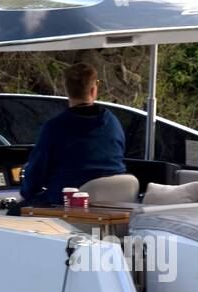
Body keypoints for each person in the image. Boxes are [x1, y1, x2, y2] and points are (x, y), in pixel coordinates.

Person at [17, 62, 127, 207]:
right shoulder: (113, 123)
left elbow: (34, 178)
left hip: (67, 206)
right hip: (114, 206)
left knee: (12, 212)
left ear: (66, 90)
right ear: (93, 91)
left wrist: (27, 193)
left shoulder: (54, 128)